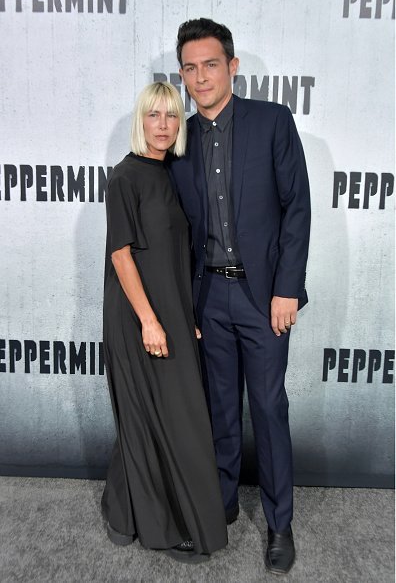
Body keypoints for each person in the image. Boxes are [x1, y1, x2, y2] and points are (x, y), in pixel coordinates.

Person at [169, 19, 311, 575]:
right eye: (189, 68)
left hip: (263, 299)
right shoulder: (177, 139)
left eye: (210, 64)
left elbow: (296, 207)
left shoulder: (272, 122)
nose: (200, 77)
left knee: (269, 409)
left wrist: (286, 290)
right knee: (220, 410)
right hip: (209, 298)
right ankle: (221, 503)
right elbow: (175, 228)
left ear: (232, 66)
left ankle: (280, 522)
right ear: (180, 75)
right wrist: (187, 306)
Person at [101, 81, 228, 563]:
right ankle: (156, 526)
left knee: (166, 415)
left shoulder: (172, 174)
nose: (163, 125)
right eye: (154, 115)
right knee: (147, 416)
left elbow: (177, 256)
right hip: (137, 316)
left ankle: (122, 508)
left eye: (172, 116)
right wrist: (152, 322)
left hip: (171, 313)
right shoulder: (124, 177)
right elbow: (121, 256)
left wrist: (185, 317)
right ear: (141, 121)